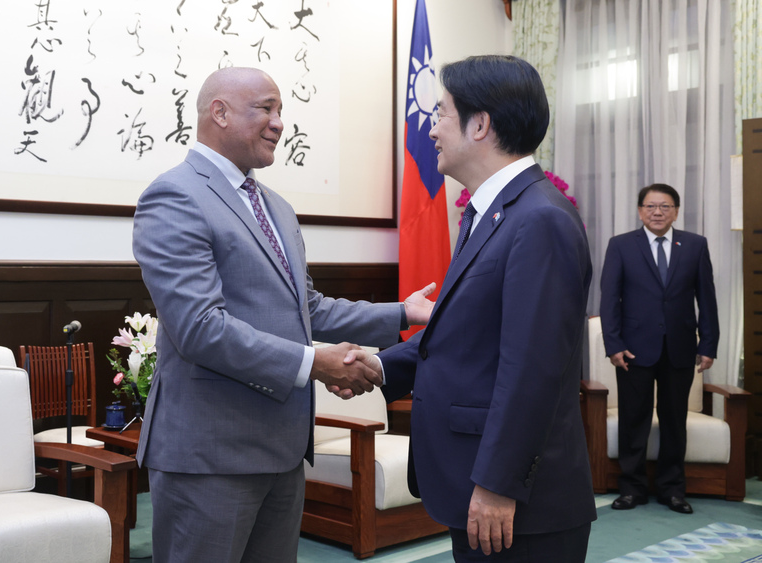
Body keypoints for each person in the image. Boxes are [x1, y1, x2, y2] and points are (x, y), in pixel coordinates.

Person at [132, 67, 435, 563]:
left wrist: (403, 312)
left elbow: (306, 307)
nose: (278, 123)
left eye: (281, 112)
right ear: (220, 112)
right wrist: (315, 363)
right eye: (266, 109)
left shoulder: (276, 206)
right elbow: (200, 329)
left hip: (283, 452)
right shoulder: (175, 196)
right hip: (211, 456)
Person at [342, 55, 596, 561]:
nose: (431, 130)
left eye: (441, 114)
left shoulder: (539, 219)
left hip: (518, 500)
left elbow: (532, 370)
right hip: (476, 481)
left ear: (480, 125)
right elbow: (462, 336)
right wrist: (377, 367)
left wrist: (499, 484)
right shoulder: (491, 213)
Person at [600, 183, 719, 515]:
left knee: (674, 421)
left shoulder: (695, 245)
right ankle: (632, 489)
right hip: (633, 350)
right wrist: (614, 345)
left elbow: (706, 299)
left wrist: (708, 343)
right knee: (633, 420)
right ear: (640, 210)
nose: (657, 212)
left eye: (664, 206)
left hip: (680, 348)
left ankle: (672, 490)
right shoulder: (621, 245)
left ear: (676, 211)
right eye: (650, 206)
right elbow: (609, 300)